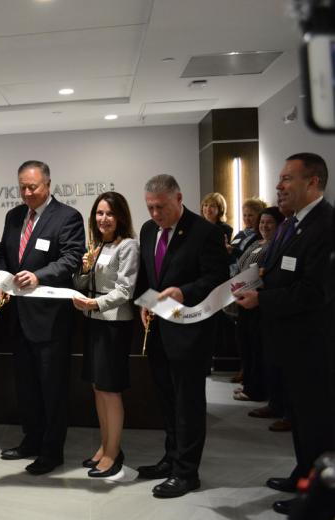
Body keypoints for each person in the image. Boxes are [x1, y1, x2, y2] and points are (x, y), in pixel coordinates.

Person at [234, 153, 335, 516]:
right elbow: (274, 270)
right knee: (301, 419)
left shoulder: (325, 225)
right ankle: (303, 472)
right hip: (289, 342)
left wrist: (262, 298)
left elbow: (314, 291)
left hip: (313, 344)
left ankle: (320, 499)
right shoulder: (292, 224)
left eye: (287, 179)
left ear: (313, 183)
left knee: (318, 423)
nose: (279, 187)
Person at [135, 174, 229, 498]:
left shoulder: (206, 233)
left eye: (161, 207)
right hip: (158, 331)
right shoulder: (148, 231)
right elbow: (150, 276)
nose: (155, 214)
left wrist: (184, 292)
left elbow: (217, 279)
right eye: (150, 207)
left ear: (178, 198)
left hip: (191, 332)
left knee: (187, 403)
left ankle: (187, 473)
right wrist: (145, 303)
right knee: (166, 400)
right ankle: (171, 459)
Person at [0, 160, 85, 475]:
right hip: (18, 317)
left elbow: (72, 258)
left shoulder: (68, 217)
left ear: (48, 184)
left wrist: (39, 276)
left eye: (33, 186)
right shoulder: (14, 215)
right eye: (22, 187)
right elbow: (5, 255)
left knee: (52, 389)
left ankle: (52, 451)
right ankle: (31, 440)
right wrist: (2, 282)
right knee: (27, 387)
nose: (27, 193)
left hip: (50, 320)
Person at [72, 192, 139, 478]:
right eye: (99, 213)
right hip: (94, 321)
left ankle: (114, 452)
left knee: (110, 390)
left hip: (114, 324)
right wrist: (84, 269)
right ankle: (105, 446)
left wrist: (94, 303)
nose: (104, 219)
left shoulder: (129, 246)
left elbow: (126, 291)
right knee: (98, 388)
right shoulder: (97, 246)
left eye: (109, 213)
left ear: (120, 216)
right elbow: (81, 282)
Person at [230, 206, 283, 403]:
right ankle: (249, 385)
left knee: (255, 347)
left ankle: (255, 389)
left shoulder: (275, 246)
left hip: (257, 301)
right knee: (245, 345)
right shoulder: (256, 242)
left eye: (269, 222)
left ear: (278, 225)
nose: (265, 226)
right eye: (262, 222)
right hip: (242, 298)